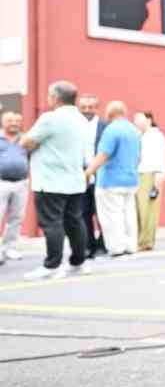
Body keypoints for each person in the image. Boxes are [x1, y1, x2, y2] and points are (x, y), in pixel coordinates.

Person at [17, 82, 92, 281]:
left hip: (50, 181)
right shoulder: (81, 119)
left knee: (52, 224)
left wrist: (28, 140)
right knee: (75, 222)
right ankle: (78, 262)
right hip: (74, 179)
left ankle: (52, 265)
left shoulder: (50, 118)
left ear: (56, 98)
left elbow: (26, 142)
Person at [85, 101, 142, 258]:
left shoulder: (111, 130)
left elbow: (103, 154)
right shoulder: (133, 130)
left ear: (109, 114)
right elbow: (139, 156)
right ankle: (130, 246)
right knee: (129, 214)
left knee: (112, 215)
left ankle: (117, 248)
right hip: (131, 179)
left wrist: (88, 172)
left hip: (111, 181)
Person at [77, 94, 108, 258]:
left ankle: (103, 243)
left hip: (102, 174)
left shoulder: (105, 126)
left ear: (97, 108)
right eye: (83, 107)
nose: (87, 111)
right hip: (80, 174)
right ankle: (88, 245)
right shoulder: (73, 126)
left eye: (90, 107)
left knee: (102, 212)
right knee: (83, 212)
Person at [134, 110, 165, 251]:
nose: (136, 123)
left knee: (148, 210)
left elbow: (160, 159)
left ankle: (146, 242)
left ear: (149, 120)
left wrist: (159, 178)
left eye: (139, 119)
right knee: (138, 210)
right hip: (139, 174)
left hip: (151, 174)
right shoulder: (140, 136)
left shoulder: (156, 137)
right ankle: (139, 240)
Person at [0, 112, 29, 264]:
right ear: (3, 122)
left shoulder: (25, 139)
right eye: (10, 121)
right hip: (1, 182)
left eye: (18, 121)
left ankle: (9, 248)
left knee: (16, 217)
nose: (14, 124)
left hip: (21, 183)